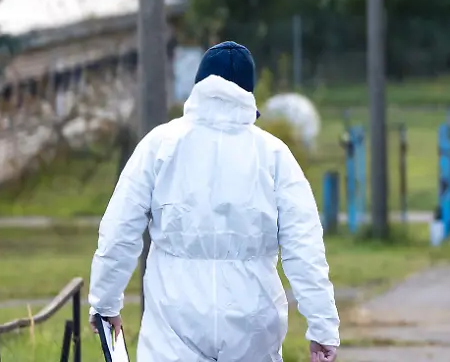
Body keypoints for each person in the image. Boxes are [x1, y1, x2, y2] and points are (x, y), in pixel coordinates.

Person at [88, 41, 340, 362]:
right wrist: (322, 327)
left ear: (199, 84)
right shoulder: (274, 155)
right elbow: (304, 246)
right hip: (252, 322)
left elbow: (119, 229)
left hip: (174, 318)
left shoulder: (160, 145)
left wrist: (105, 303)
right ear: (248, 92)